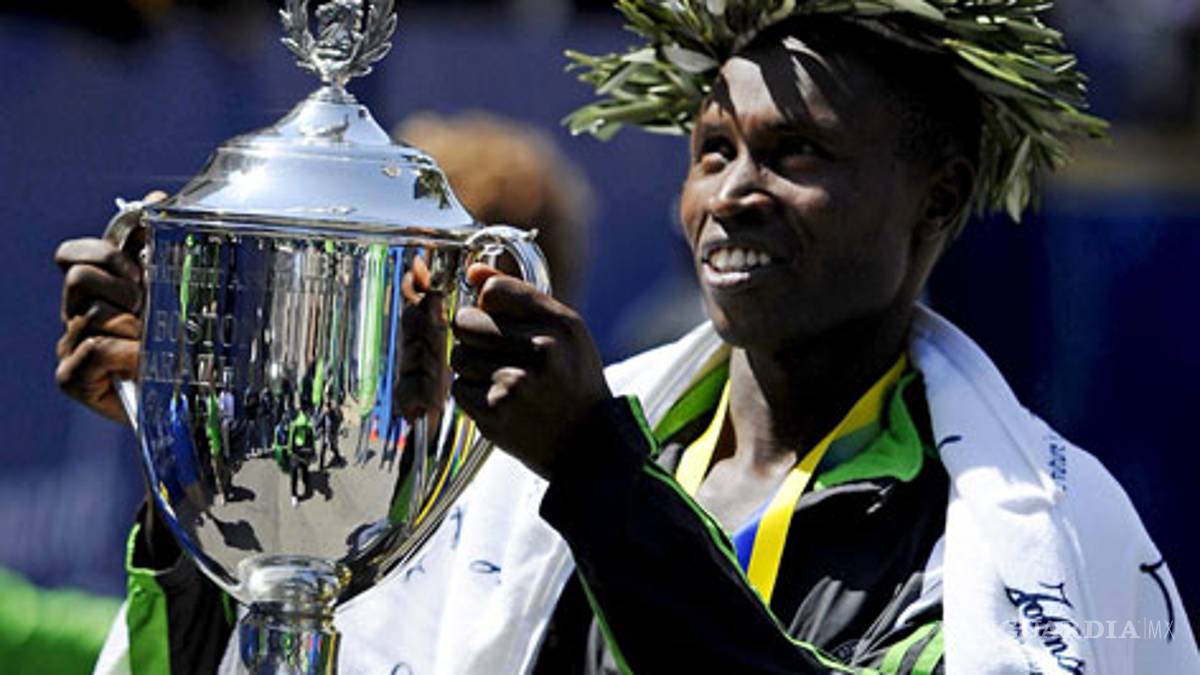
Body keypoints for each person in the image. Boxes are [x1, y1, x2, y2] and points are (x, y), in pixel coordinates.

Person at [56, 4, 1197, 675]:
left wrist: (601, 478)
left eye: (797, 153)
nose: (733, 195)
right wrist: (205, 471)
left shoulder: (1018, 530)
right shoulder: (514, 492)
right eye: (713, 151)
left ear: (937, 198)